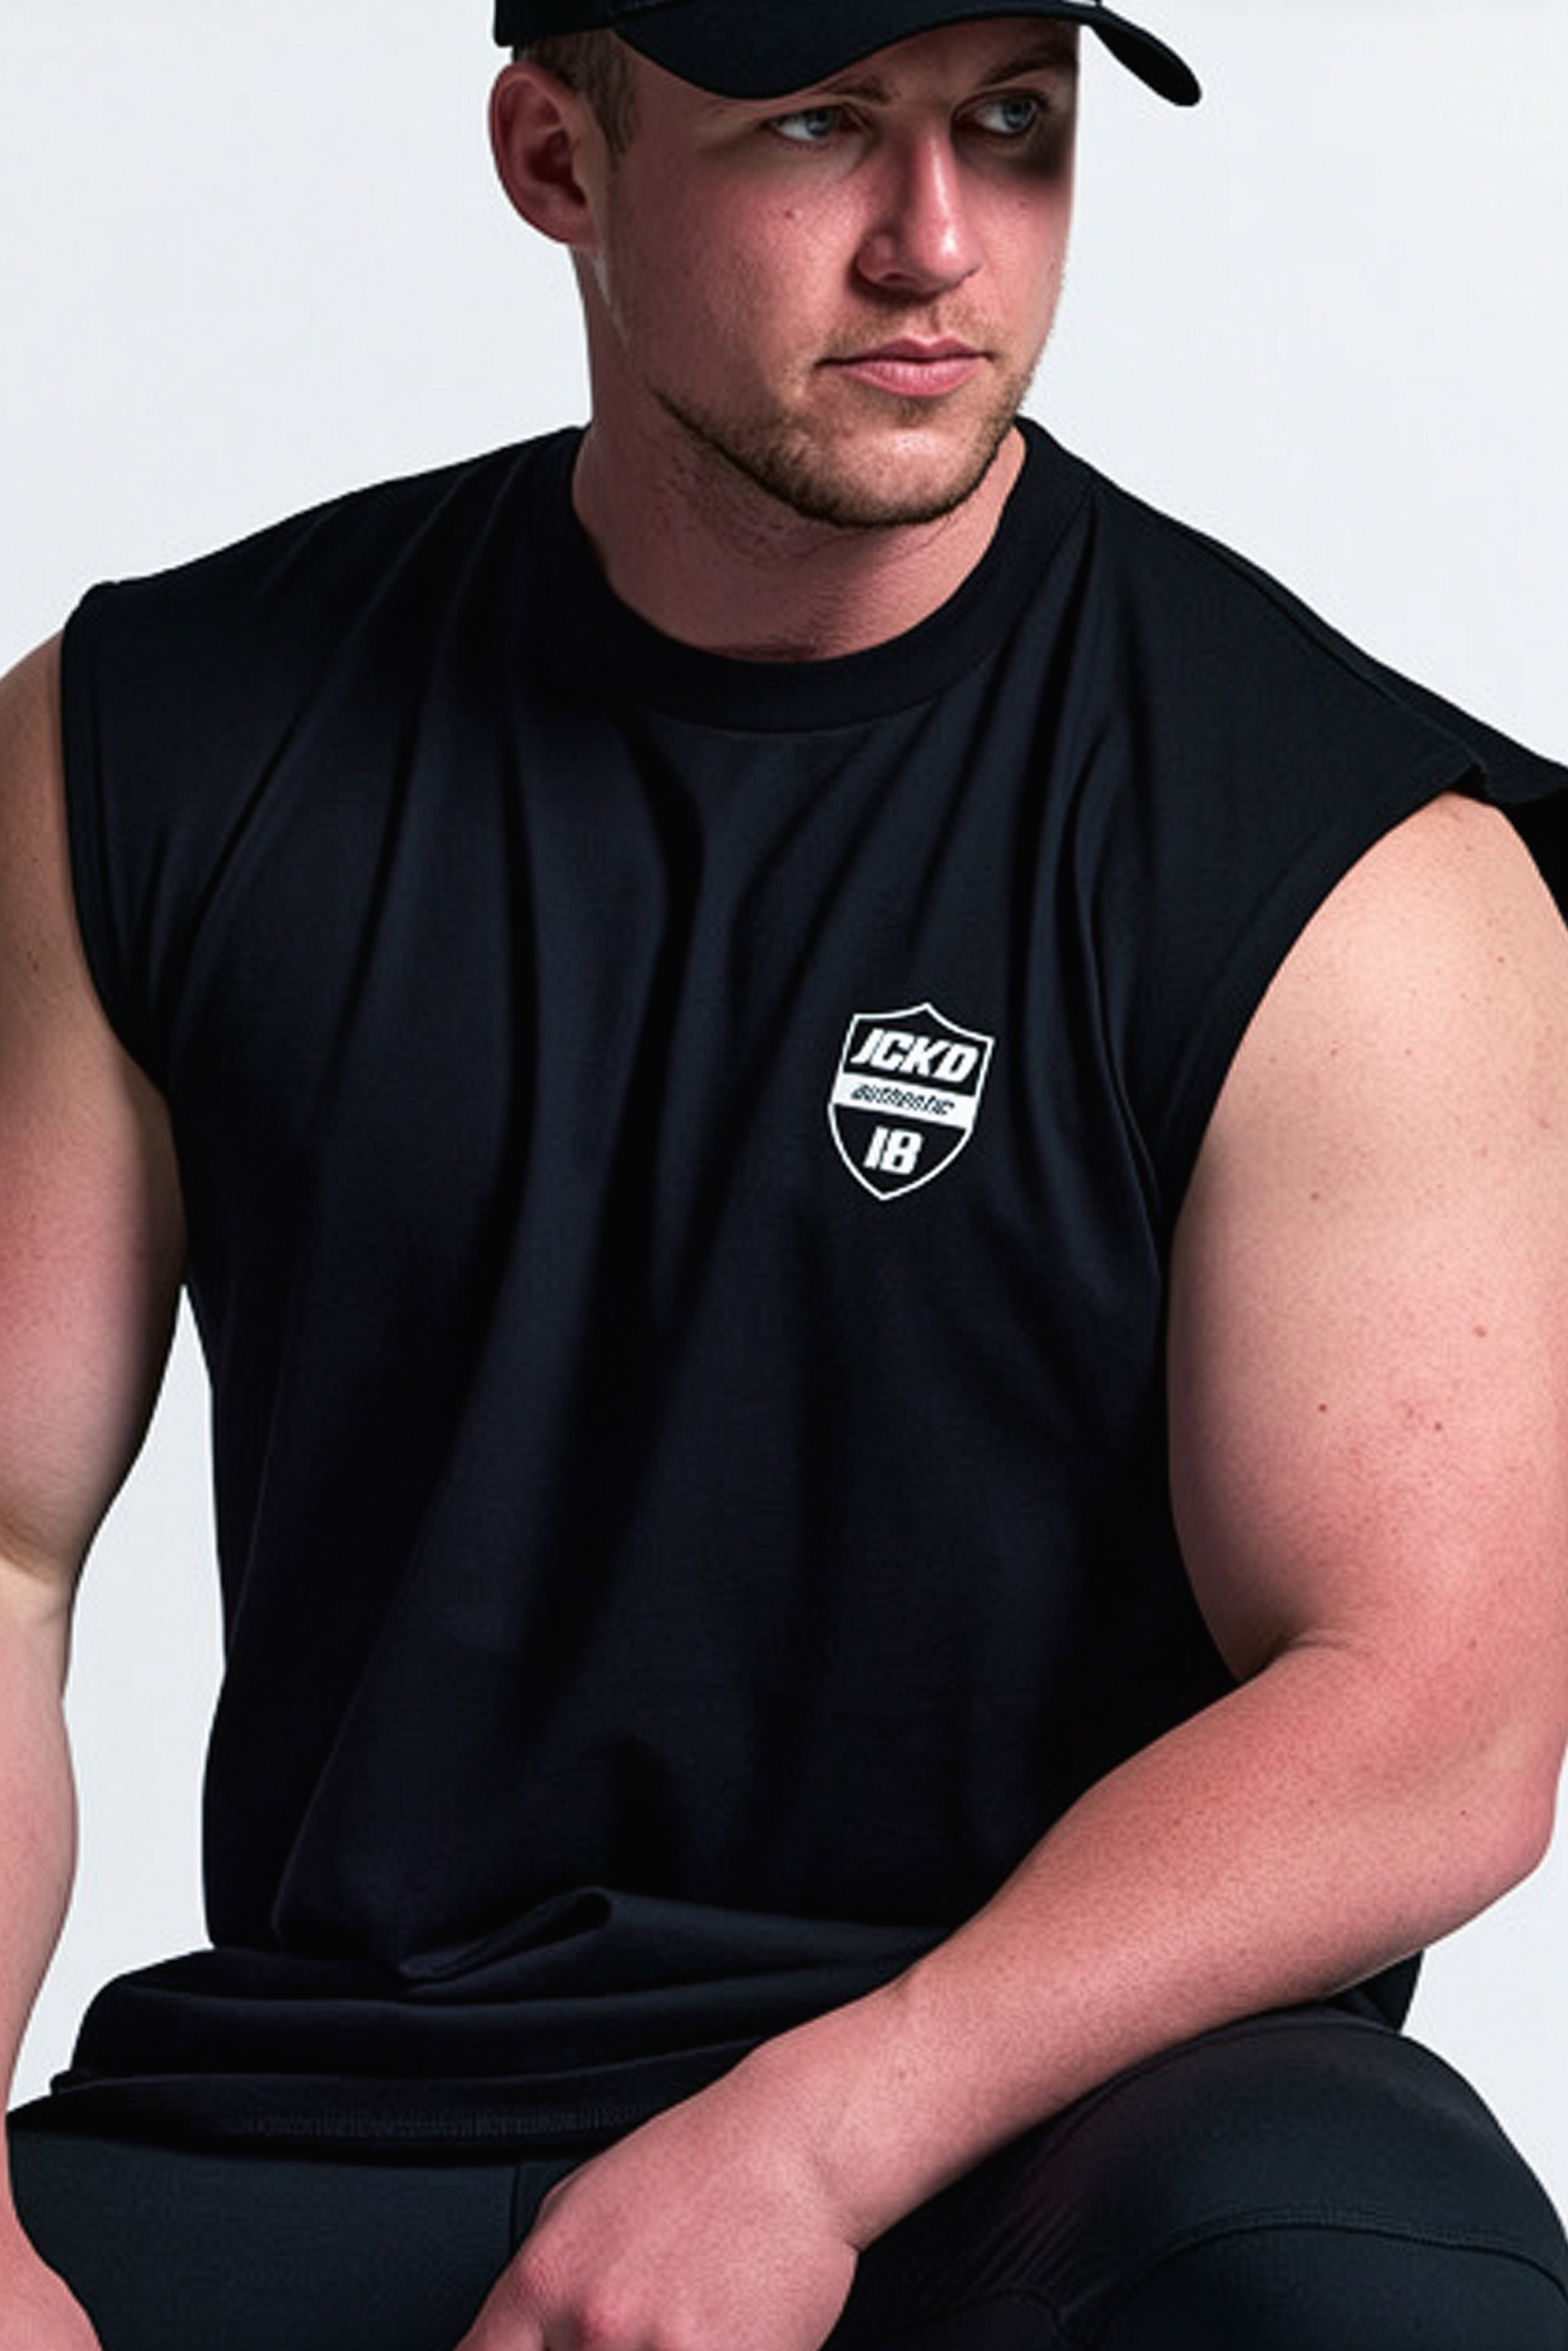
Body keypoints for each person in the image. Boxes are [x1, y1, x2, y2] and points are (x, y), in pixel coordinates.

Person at [2, 1, 1567, 2344]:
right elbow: (2, 1553)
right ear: (558, 157)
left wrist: (811, 2139)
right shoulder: (147, 747)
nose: (934, 243)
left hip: (1057, 2119)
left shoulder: (1349, 859)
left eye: (1010, 126)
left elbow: (1428, 1709)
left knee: (1367, 2294)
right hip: (349, 2101)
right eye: (819, 125)